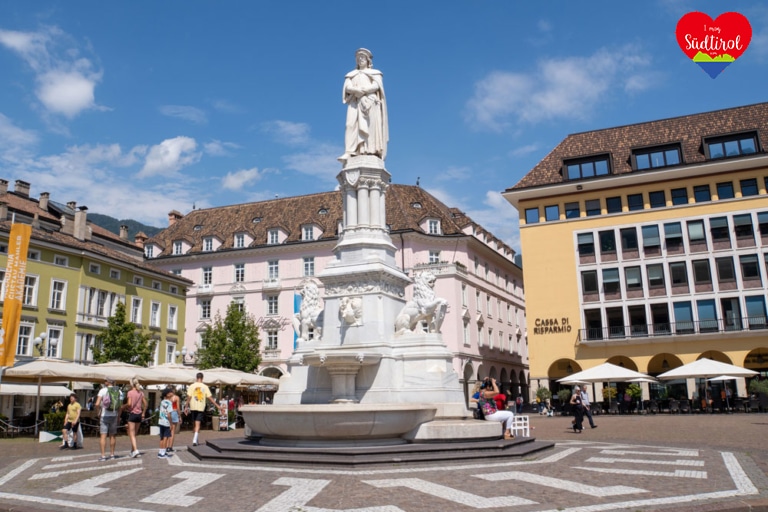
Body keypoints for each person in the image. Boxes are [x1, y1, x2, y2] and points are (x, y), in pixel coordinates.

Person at [338, 48, 388, 163]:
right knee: (350, 125)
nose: (360, 60)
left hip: (370, 102)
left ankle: (370, 150)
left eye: (363, 58)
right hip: (355, 102)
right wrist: (357, 91)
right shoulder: (351, 75)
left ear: (368, 60)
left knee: (370, 127)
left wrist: (364, 91)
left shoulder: (375, 73)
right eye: (358, 58)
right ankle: (350, 151)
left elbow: (377, 85)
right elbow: (347, 87)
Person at [184, 372, 222, 447]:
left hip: (193, 406)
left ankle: (196, 439)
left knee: (194, 423)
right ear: (202, 378)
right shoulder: (205, 387)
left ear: (196, 377)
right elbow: (210, 398)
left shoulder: (192, 386)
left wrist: (186, 406)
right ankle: (195, 439)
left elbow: (189, 397)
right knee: (198, 424)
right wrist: (217, 405)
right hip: (200, 407)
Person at [95, 377, 122, 461]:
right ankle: (112, 455)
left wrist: (98, 412)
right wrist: (118, 416)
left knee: (103, 436)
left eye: (105, 381)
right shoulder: (119, 391)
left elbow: (97, 404)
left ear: (108, 382)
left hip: (104, 415)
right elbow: (120, 407)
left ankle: (103, 456)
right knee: (113, 436)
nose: (104, 382)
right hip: (114, 415)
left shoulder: (102, 391)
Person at [125, 377, 146, 458]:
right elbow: (146, 404)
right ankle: (132, 451)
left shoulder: (130, 392)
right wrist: (143, 412)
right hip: (139, 414)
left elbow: (129, 404)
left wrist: (124, 406)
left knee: (131, 434)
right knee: (135, 434)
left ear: (131, 384)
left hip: (132, 414)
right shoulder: (141, 393)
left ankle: (136, 450)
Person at [157, 388, 174, 459]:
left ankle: (160, 452)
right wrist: (171, 423)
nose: (172, 393)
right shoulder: (169, 403)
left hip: (161, 421)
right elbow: (169, 414)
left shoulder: (162, 402)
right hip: (167, 422)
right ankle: (163, 453)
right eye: (171, 392)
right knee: (165, 438)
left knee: (161, 437)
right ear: (168, 394)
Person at [167, 388, 181, 453]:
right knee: (173, 431)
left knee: (168, 430)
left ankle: (166, 446)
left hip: (168, 413)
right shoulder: (176, 398)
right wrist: (179, 416)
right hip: (174, 412)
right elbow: (178, 407)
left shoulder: (167, 397)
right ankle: (170, 447)